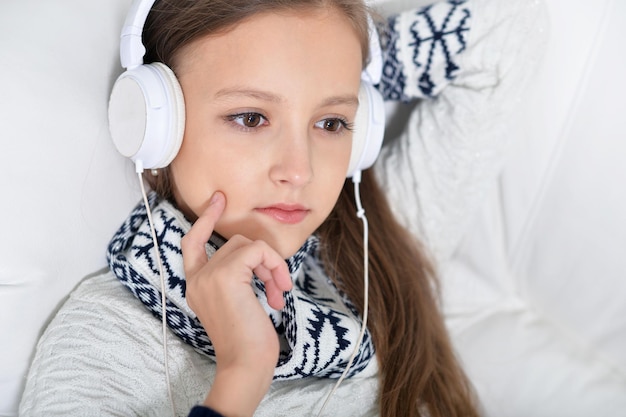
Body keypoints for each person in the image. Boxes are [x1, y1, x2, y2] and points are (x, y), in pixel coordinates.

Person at [19, 0, 546, 416]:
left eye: (332, 123)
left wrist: (350, 52)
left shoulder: (376, 248)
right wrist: (242, 375)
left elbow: (510, 31)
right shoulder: (105, 340)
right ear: (155, 123)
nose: (301, 171)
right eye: (250, 118)